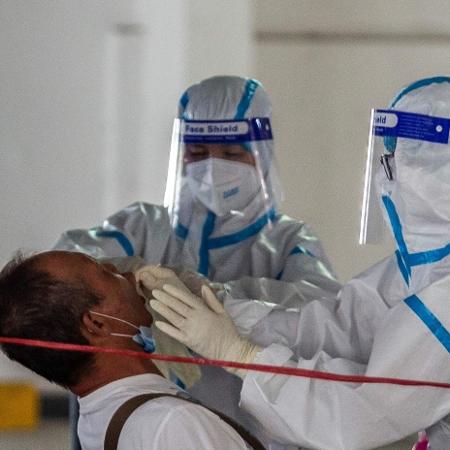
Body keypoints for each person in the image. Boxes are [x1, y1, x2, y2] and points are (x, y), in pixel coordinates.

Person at [147, 76, 450, 449]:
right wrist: (220, 306)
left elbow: (361, 415)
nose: (384, 175)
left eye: (395, 157)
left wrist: (241, 356)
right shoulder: (424, 269)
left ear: (434, 168)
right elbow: (342, 329)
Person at [53, 75, 340, 445]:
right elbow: (62, 263)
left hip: (254, 434)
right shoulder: (143, 225)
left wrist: (215, 296)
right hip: (143, 428)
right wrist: (131, 269)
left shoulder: (289, 242)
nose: (212, 168)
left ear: (263, 153)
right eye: (198, 152)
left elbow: (324, 313)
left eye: (232, 154)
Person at [0, 250, 263, 450]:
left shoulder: (99, 416)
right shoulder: (170, 423)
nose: (124, 272)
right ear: (97, 324)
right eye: (105, 272)